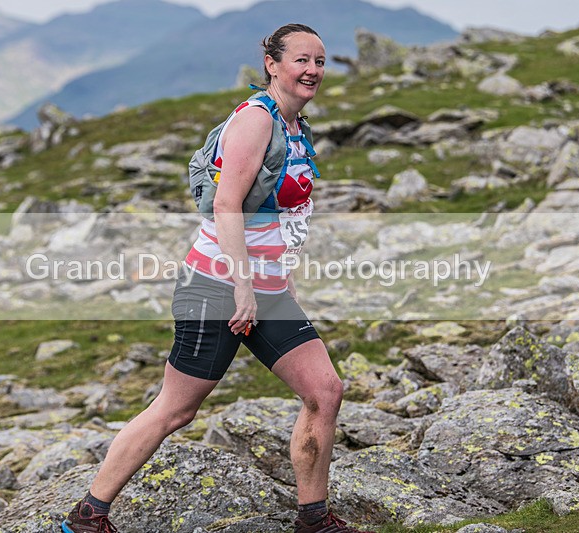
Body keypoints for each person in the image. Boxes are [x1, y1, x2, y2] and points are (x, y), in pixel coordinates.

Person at [62, 24, 374, 533]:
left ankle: (313, 519)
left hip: (266, 287)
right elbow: (227, 205)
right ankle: (88, 515)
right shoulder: (255, 121)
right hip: (217, 286)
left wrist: (280, 276)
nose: (313, 70)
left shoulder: (298, 127)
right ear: (272, 64)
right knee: (175, 410)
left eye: (320, 61)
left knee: (325, 391)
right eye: (301, 60)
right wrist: (243, 285)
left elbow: (275, 214)